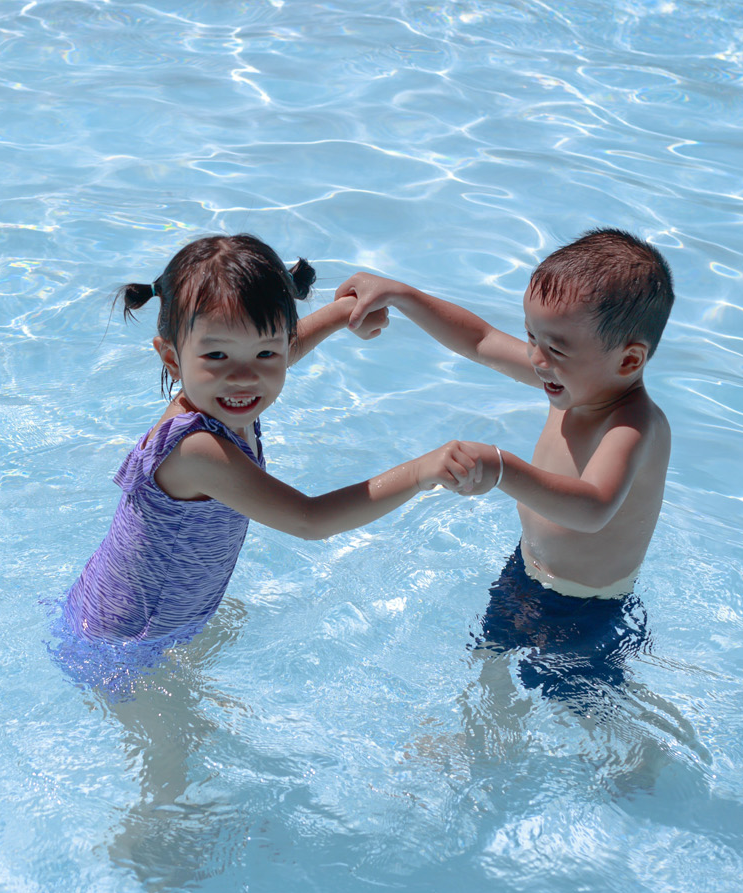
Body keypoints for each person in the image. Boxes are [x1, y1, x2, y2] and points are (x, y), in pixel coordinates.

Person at [58, 233, 484, 679]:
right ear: (171, 358)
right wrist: (421, 472)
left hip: (147, 617)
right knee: (173, 748)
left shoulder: (220, 394)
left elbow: (281, 351)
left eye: (265, 352)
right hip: (124, 646)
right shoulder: (196, 449)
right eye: (217, 355)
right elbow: (309, 519)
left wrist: (345, 313)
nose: (244, 377)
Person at [338, 229, 674, 705]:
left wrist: (502, 469)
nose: (536, 359)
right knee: (489, 659)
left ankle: (637, 769)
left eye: (554, 349)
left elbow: (593, 508)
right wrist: (401, 295)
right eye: (532, 337)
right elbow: (479, 340)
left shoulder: (632, 426)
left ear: (629, 360)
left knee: (585, 709)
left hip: (587, 607)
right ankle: (485, 743)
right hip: (523, 574)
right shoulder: (573, 381)